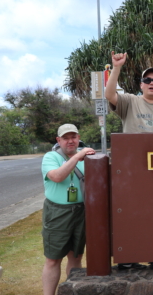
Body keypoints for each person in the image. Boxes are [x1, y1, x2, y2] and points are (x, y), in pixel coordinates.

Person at [41, 124, 95, 295]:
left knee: (76, 257)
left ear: (78, 138)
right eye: (66, 138)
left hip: (81, 211)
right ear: (59, 140)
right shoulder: (51, 157)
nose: (70, 141)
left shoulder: (89, 158)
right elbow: (57, 176)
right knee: (53, 259)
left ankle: (71, 291)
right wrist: (78, 155)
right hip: (57, 212)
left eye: (73, 137)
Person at [105, 51, 153, 133]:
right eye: (147, 80)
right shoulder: (129, 101)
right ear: (141, 85)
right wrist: (116, 67)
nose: (152, 83)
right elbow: (109, 95)